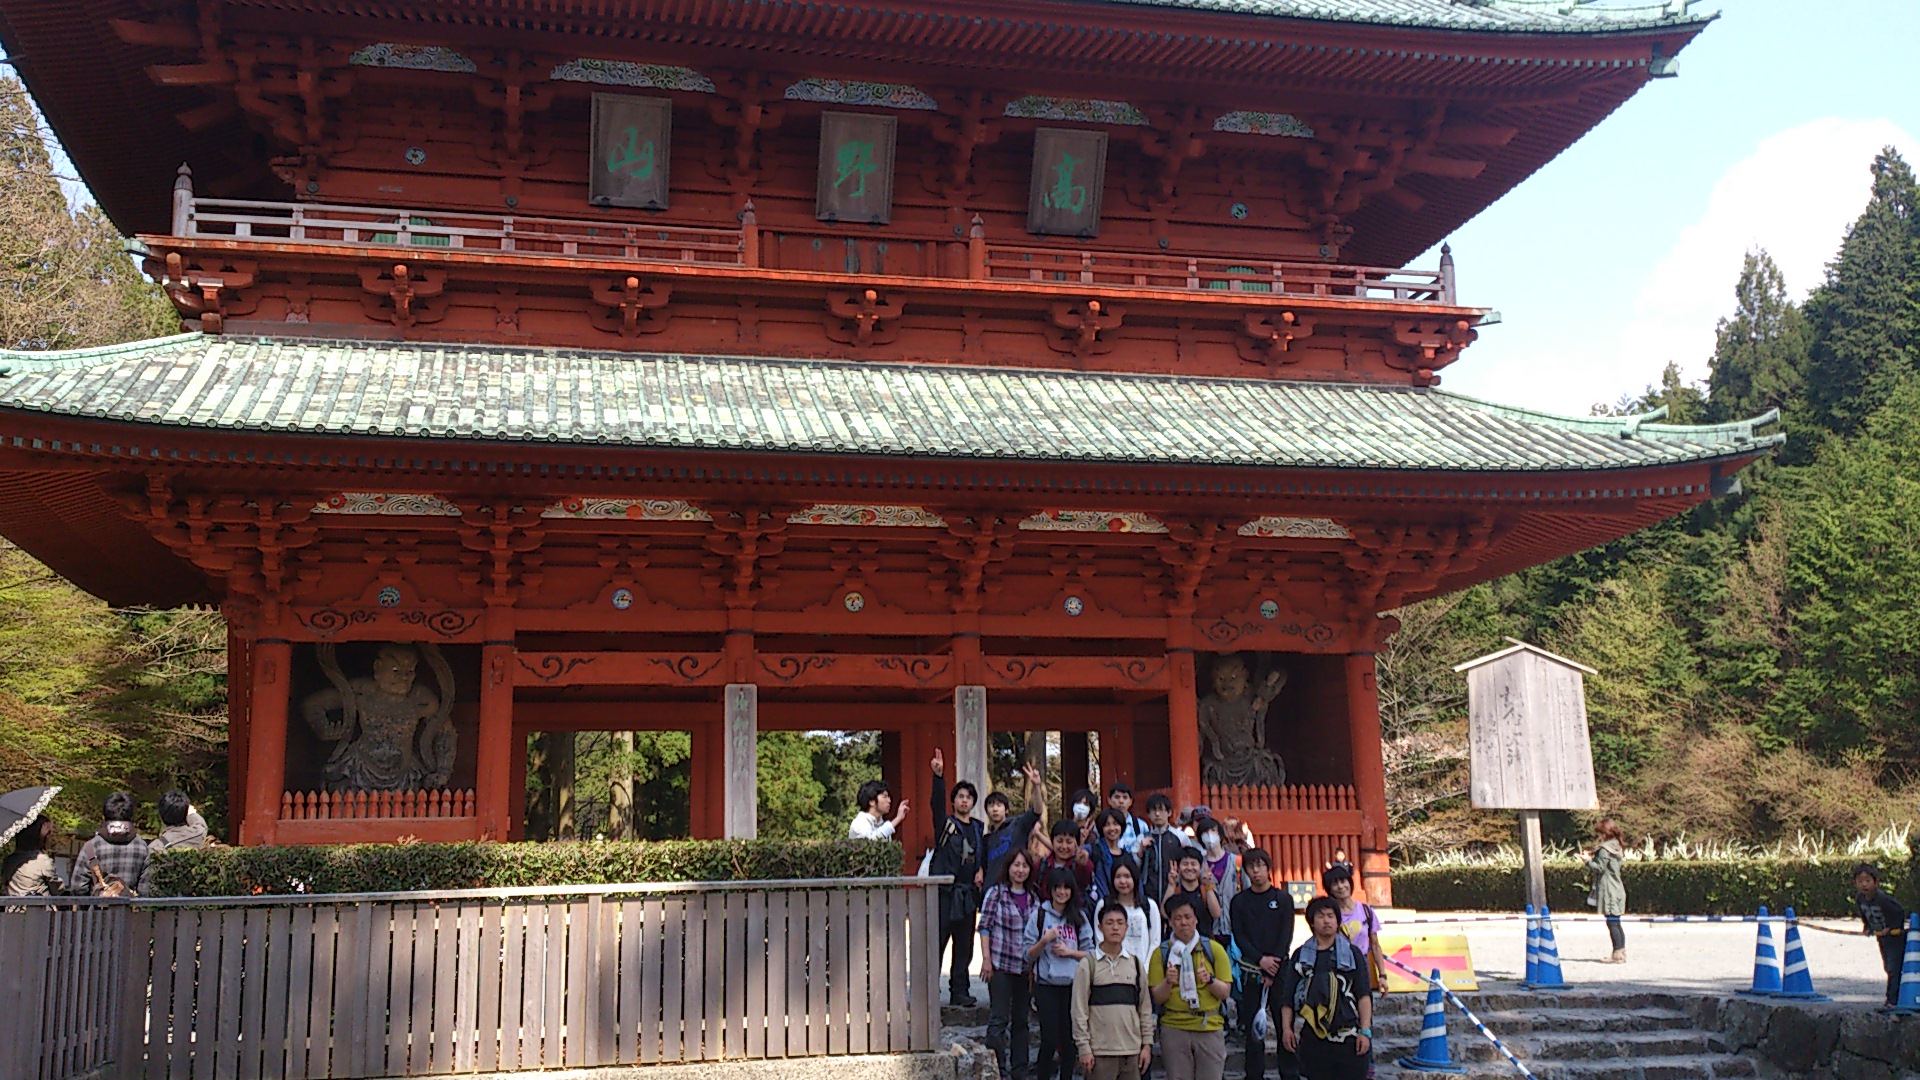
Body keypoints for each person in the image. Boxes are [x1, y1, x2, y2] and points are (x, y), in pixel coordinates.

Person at [1280, 897, 1373, 1080]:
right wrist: (1286, 1029)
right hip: (1314, 1038)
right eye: (1320, 916)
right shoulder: (1301, 955)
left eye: (1331, 916)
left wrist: (1365, 1030)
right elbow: (1288, 997)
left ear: (1338, 921)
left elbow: (1363, 995)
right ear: (1312, 922)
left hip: (1349, 1036)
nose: (1326, 920)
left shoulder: (1352, 953)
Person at [1149, 894, 1233, 1080]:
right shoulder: (1161, 953)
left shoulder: (1213, 949)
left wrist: (1209, 980)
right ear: (1170, 922)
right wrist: (1168, 982)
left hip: (1208, 1026)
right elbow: (1158, 997)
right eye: (1177, 918)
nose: (1183, 923)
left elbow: (1225, 992)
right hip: (1174, 1027)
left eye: (1187, 917)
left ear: (1196, 919)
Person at [1231, 848, 1298, 1080]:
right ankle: (1254, 1075)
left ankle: (1289, 1073)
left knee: (1284, 1025)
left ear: (1269, 868)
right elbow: (1240, 936)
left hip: (1280, 971)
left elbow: (1285, 935)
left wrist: (1274, 964)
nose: (1256, 871)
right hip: (1252, 970)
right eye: (1251, 867)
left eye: (1260, 866)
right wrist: (1260, 960)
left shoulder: (1283, 899)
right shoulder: (1239, 901)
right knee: (1253, 1029)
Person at [1073, 902, 1155, 1080]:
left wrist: (1147, 1045)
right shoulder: (1088, 964)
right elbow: (1079, 1010)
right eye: (1110, 923)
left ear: (1126, 927)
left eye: (1120, 923)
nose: (1115, 927)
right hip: (1100, 1052)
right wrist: (1084, 1047)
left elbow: (1145, 1008)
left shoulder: (1135, 964)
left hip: (1132, 1051)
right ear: (1100, 927)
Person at [1027, 867, 1095, 1080]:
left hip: (1073, 985)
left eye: (1066, 888)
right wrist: (1044, 940)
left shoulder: (1079, 917)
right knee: (1048, 1039)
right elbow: (1027, 954)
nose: (1062, 892)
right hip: (1046, 985)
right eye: (1058, 887)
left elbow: (1091, 954)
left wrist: (1070, 952)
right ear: (1051, 889)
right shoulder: (1039, 914)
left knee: (1069, 1040)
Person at [980, 848, 1042, 1080]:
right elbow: (984, 927)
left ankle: (1020, 1071)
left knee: (1021, 1022)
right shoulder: (996, 894)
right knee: (998, 1020)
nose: (1020, 870)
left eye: (1024, 866)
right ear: (1008, 867)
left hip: (1025, 969)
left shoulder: (1035, 899)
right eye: (1016, 865)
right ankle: (996, 1069)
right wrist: (986, 959)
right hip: (1000, 965)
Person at [930, 749, 986, 1007]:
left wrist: (981, 871)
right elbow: (936, 805)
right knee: (937, 942)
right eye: (960, 797)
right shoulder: (946, 824)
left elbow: (981, 855)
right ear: (954, 801)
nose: (964, 801)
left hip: (967, 894)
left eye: (968, 797)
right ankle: (929, 990)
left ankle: (959, 991)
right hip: (945, 892)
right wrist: (938, 777)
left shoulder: (977, 827)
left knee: (964, 946)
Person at [1321, 864, 1383, 999]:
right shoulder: (1329, 915)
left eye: (1343, 881)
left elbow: (1375, 946)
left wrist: (1382, 975)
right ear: (1329, 889)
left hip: (1362, 966)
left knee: (1365, 1008)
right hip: (1337, 968)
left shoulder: (1366, 911)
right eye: (1335, 884)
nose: (1341, 886)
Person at [71, 791, 149, 896]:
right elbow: (145, 890)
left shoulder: (90, 847)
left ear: (104, 817)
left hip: (98, 910)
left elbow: (78, 888)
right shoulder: (143, 847)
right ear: (131, 818)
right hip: (129, 911)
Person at [1854, 862, 1908, 1008]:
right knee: (1887, 967)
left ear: (1875, 882)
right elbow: (1865, 914)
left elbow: (1899, 912)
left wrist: (1892, 927)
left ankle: (1892, 1000)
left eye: (1867, 881)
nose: (1864, 884)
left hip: (1895, 938)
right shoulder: (1860, 899)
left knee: (1893, 967)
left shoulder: (1883, 899)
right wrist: (1867, 927)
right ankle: (1894, 997)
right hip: (1882, 938)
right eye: (1860, 881)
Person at [983, 762, 1047, 880]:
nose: (995, 809)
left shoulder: (1018, 824)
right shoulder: (986, 840)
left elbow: (1037, 811)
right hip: (992, 891)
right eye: (991, 806)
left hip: (1014, 888)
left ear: (1006, 810)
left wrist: (1036, 787)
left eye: (999, 805)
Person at [1584, 818, 1628, 963]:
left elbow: (1600, 867)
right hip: (1617, 886)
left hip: (1609, 888)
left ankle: (1617, 955)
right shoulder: (1617, 846)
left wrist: (1587, 861)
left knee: (1612, 922)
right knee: (1616, 921)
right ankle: (1621, 952)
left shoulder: (1604, 849)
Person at [1135, 793, 1188, 907]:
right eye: (1153, 811)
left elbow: (1190, 861)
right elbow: (1134, 868)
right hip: (1148, 893)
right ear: (1148, 814)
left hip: (1174, 890)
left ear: (1169, 812)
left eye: (1161, 810)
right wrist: (1140, 852)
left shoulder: (1180, 837)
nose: (1157, 814)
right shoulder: (1141, 838)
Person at [1194, 817, 1241, 944]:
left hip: (1237, 930)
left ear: (1220, 834)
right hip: (1209, 932)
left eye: (1213, 831)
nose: (1209, 835)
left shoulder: (1237, 862)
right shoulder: (1198, 866)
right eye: (1205, 833)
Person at [1107, 861, 1162, 965]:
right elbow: (1100, 939)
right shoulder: (1105, 905)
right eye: (1118, 877)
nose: (1123, 881)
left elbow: (1155, 941)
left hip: (1142, 970)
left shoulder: (1149, 906)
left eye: (1127, 876)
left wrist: (1145, 968)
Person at [1039, 818, 1099, 908]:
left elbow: (1087, 878)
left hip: (1074, 915)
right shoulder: (1042, 865)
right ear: (1052, 841)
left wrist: (1083, 865)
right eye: (1059, 841)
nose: (1064, 846)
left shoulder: (1081, 864)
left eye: (1069, 842)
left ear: (1076, 844)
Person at [1167, 850, 1222, 941]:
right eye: (1185, 864)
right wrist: (1171, 885)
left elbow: (1216, 914)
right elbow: (1165, 913)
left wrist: (1208, 886)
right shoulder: (1175, 891)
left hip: (1204, 944)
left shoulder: (1205, 891)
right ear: (1178, 868)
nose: (1189, 868)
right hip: (1178, 945)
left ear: (1200, 868)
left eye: (1193, 864)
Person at [3, 816, 64, 897]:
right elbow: (57, 889)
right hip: (38, 907)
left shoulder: (9, 860)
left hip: (13, 907)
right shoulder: (43, 861)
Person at [1094, 808, 1142, 899]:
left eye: (1115, 824)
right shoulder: (1094, 851)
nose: (1112, 828)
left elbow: (1137, 883)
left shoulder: (1127, 856)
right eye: (1107, 825)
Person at [1107, 783, 1150, 851]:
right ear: (1109, 800)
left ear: (1130, 802)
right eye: (1117, 797)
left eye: (1125, 797)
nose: (1121, 801)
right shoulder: (1102, 825)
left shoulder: (1141, 825)